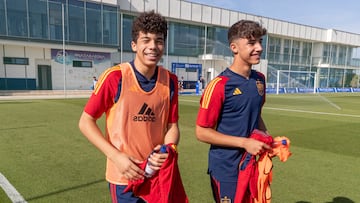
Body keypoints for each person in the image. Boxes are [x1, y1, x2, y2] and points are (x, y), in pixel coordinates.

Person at [79, 11, 183, 203]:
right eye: (146, 40)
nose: (153, 46)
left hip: (156, 175)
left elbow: (172, 126)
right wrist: (116, 156)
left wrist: (169, 147)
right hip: (124, 176)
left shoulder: (171, 81)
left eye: (159, 41)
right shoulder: (115, 77)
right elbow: (86, 121)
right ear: (134, 45)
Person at [195, 20, 271, 203]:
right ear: (234, 47)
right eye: (252, 43)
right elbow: (201, 132)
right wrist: (244, 143)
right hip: (226, 168)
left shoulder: (259, 79)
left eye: (260, 41)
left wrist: (267, 138)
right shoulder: (219, 85)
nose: (259, 47)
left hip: (252, 165)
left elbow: (256, 116)